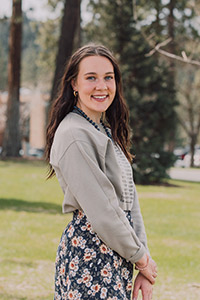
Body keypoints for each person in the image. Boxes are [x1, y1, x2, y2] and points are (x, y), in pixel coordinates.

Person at [46, 44, 157, 300]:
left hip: (117, 252)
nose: (101, 86)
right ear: (74, 83)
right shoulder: (74, 133)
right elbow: (103, 211)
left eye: (108, 77)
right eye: (91, 78)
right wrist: (141, 260)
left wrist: (143, 259)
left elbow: (129, 203)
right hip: (90, 256)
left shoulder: (102, 130)